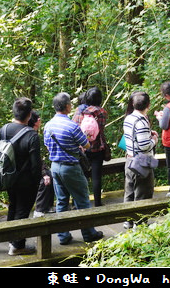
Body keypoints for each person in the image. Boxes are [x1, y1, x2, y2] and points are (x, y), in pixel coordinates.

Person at [44, 92, 104, 245]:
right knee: (82, 199)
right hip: (70, 167)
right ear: (67, 107)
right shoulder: (72, 125)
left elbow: (46, 145)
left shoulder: (48, 125)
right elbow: (86, 145)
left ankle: (63, 236)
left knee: (62, 201)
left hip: (55, 167)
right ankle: (89, 233)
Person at [0, 97, 42, 256]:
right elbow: (35, 164)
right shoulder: (31, 135)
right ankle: (17, 246)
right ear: (29, 115)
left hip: (8, 178)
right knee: (22, 212)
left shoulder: (3, 130)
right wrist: (37, 181)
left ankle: (11, 239)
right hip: (26, 181)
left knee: (13, 206)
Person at [123, 91, 159, 228]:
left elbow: (133, 137)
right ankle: (140, 225)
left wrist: (148, 134)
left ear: (133, 104)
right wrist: (154, 140)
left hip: (130, 159)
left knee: (130, 192)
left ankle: (128, 220)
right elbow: (144, 146)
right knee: (143, 194)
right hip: (142, 161)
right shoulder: (142, 121)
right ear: (148, 105)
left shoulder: (129, 118)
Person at [73, 86, 110, 206]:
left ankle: (78, 203)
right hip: (98, 148)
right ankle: (98, 203)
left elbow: (75, 126)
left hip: (83, 148)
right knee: (96, 177)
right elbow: (102, 127)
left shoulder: (79, 111)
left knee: (80, 176)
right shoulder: (102, 112)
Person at [29, 110, 55, 218]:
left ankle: (47, 206)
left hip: (32, 166)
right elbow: (35, 159)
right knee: (45, 180)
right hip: (27, 169)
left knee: (51, 174)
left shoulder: (32, 133)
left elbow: (38, 158)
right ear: (37, 121)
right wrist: (43, 173)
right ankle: (39, 209)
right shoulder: (31, 135)